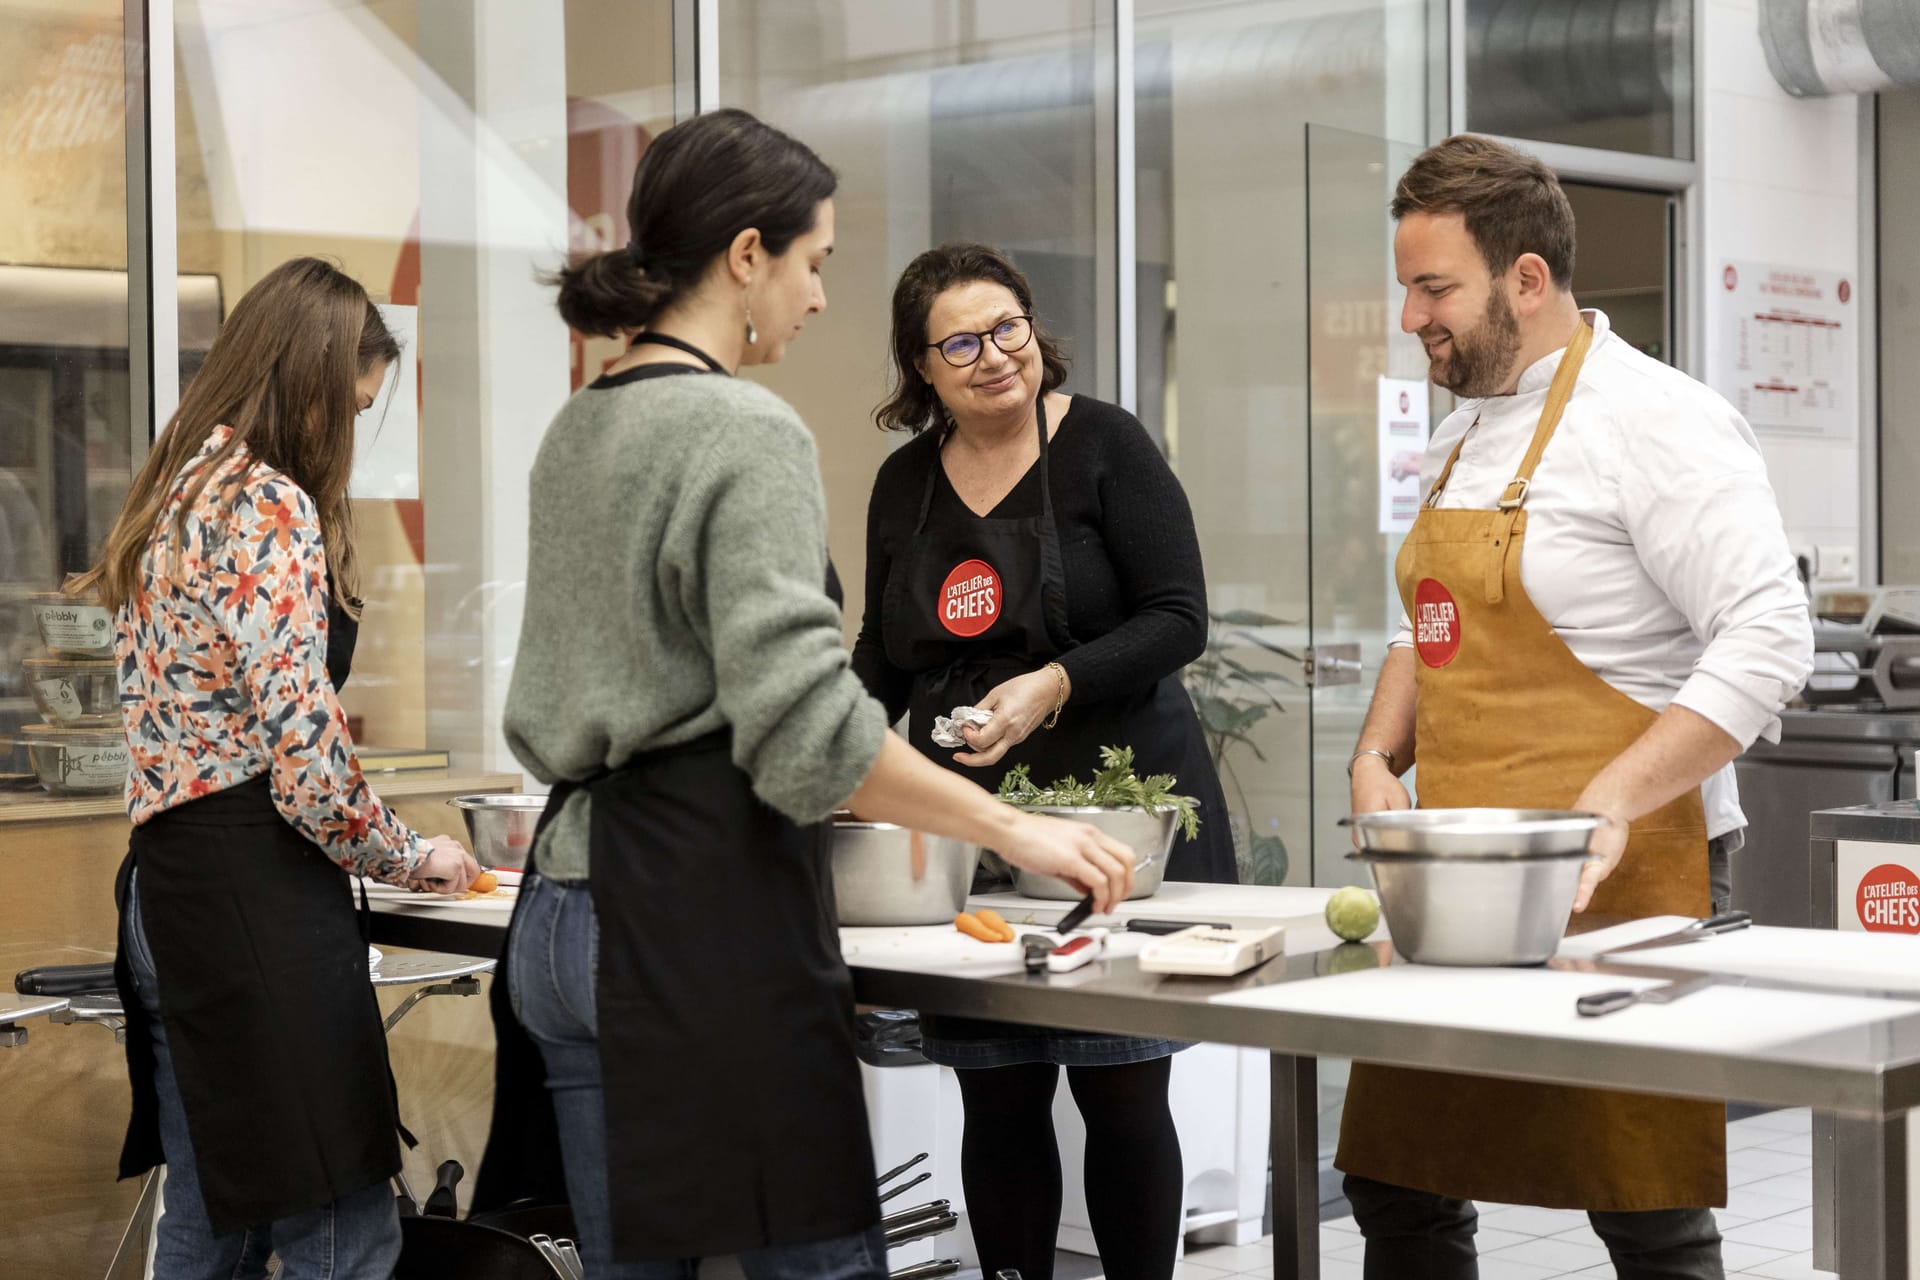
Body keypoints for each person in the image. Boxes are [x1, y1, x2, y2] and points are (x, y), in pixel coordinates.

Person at [495, 109, 1136, 1280]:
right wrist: (1012, 823)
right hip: (693, 919)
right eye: (815, 262)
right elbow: (803, 725)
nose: (823, 296)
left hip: (563, 910)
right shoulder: (744, 428)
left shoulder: (577, 427)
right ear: (747, 256)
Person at [1338, 134, 1814, 1279]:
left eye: (1434, 287)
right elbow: (1429, 622)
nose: (1412, 316)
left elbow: (1768, 635)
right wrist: (1376, 750)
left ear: (1528, 280)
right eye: (1407, 286)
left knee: (1638, 1193)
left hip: (1627, 866)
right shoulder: (1460, 441)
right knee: (1399, 1173)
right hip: (1463, 877)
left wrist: (1611, 796)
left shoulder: (1657, 420)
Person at [81, 257, 481, 1279]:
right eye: (352, 404)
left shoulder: (172, 490)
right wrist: (407, 851)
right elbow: (306, 763)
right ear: (307, 385)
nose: (352, 431)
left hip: (166, 891)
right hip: (252, 894)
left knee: (212, 1209)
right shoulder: (266, 504)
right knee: (341, 1226)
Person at [851, 242, 1235, 1280]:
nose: (992, 356)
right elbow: (880, 660)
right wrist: (842, 761)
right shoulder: (904, 482)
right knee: (998, 1086)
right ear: (921, 368)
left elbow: (1178, 616)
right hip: (971, 826)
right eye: (961, 342)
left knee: (1120, 1085)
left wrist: (1050, 683)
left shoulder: (1106, 443)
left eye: (1007, 327)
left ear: (1036, 330)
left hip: (1117, 822)